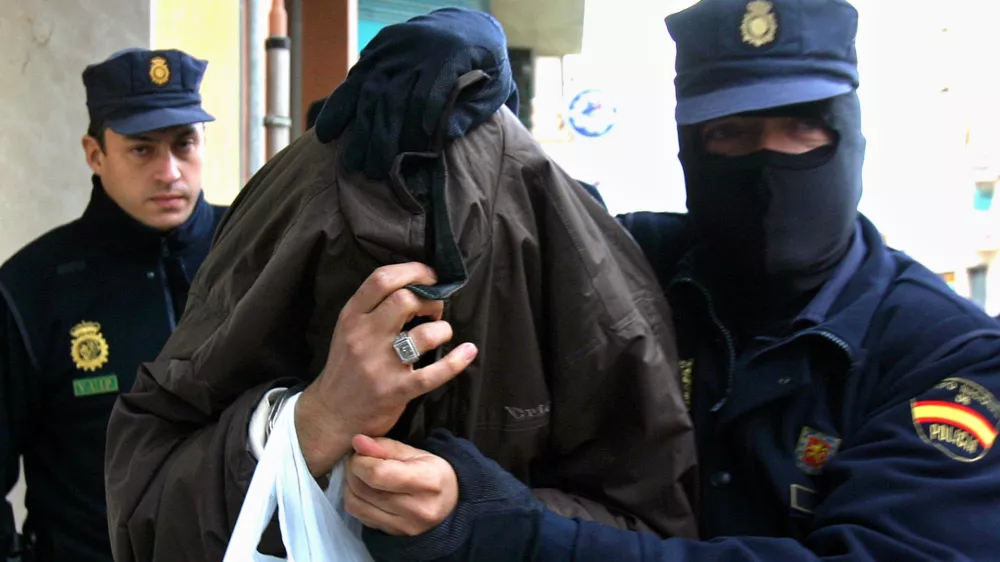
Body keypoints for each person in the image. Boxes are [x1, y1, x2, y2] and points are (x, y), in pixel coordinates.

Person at [332, 0, 1000, 560]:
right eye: (730, 135)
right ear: (688, 149)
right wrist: (472, 77)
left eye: (802, 129)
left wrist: (517, 534)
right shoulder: (634, 260)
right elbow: (514, 219)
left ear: (852, 138)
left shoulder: (950, 358)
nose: (767, 160)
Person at [0, 48, 225, 562]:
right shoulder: (33, 288)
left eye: (184, 144)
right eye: (142, 150)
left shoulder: (253, 251)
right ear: (94, 154)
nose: (170, 172)